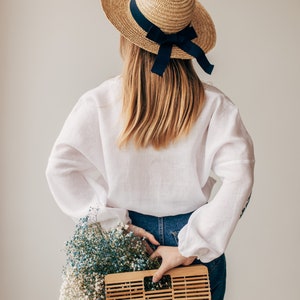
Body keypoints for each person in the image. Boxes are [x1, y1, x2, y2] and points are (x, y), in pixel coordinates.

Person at [46, 0, 255, 299]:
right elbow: (241, 175)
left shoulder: (99, 103)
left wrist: (114, 225)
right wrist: (191, 246)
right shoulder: (215, 106)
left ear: (127, 40)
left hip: (129, 244)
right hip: (191, 246)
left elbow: (59, 169)